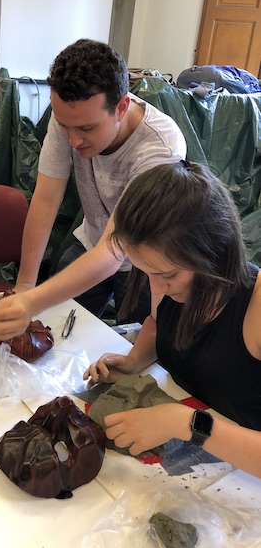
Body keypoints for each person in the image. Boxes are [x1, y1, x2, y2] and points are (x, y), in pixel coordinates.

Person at [82, 161, 261, 479]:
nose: (157, 287)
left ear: (214, 252)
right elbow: (156, 322)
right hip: (190, 467)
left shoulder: (255, 307)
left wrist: (188, 423)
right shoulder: (164, 279)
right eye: (146, 272)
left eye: (168, 275)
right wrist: (135, 359)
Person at [0, 39, 186, 325]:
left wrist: (32, 301)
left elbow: (114, 249)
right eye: (64, 125)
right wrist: (24, 286)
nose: (74, 140)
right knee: (54, 327)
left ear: (121, 107)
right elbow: (45, 201)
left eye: (86, 128)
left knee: (136, 344)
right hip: (92, 240)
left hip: (146, 262)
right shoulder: (69, 120)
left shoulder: (160, 148)